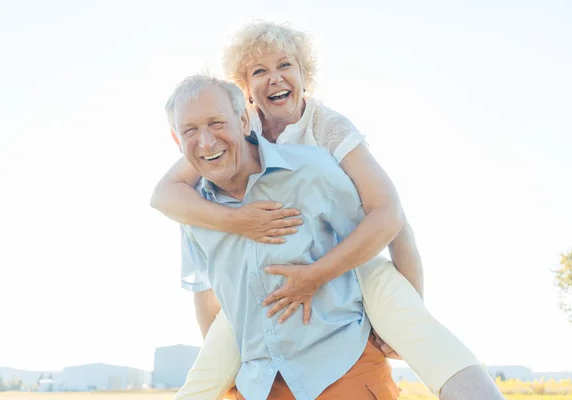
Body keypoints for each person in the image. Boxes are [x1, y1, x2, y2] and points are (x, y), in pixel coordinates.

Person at [153, 22, 503, 400]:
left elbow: (391, 218)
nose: (275, 79)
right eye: (259, 71)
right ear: (244, 88)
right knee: (208, 370)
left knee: (422, 333)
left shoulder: (328, 128)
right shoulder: (234, 129)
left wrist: (386, 312)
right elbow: (165, 196)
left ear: (305, 74)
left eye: (285, 66)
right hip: (266, 277)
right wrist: (240, 222)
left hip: (348, 257)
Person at [172, 74, 400, 399]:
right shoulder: (192, 212)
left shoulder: (311, 171)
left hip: (343, 371)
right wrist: (229, 379)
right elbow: (206, 294)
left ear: (242, 120)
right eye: (190, 130)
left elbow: (379, 229)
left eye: (216, 123)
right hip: (258, 385)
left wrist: (318, 277)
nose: (206, 141)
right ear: (175, 139)